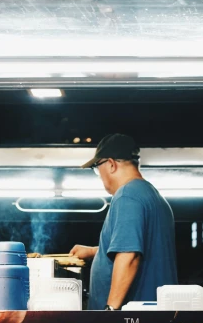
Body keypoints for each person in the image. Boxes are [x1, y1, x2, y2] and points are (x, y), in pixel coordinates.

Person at [69, 133, 178, 310]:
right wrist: (95, 252)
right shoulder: (153, 196)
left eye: (97, 168)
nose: (99, 175)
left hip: (132, 322)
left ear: (111, 164)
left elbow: (129, 255)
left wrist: (110, 311)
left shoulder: (127, 196)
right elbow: (143, 246)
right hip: (154, 317)